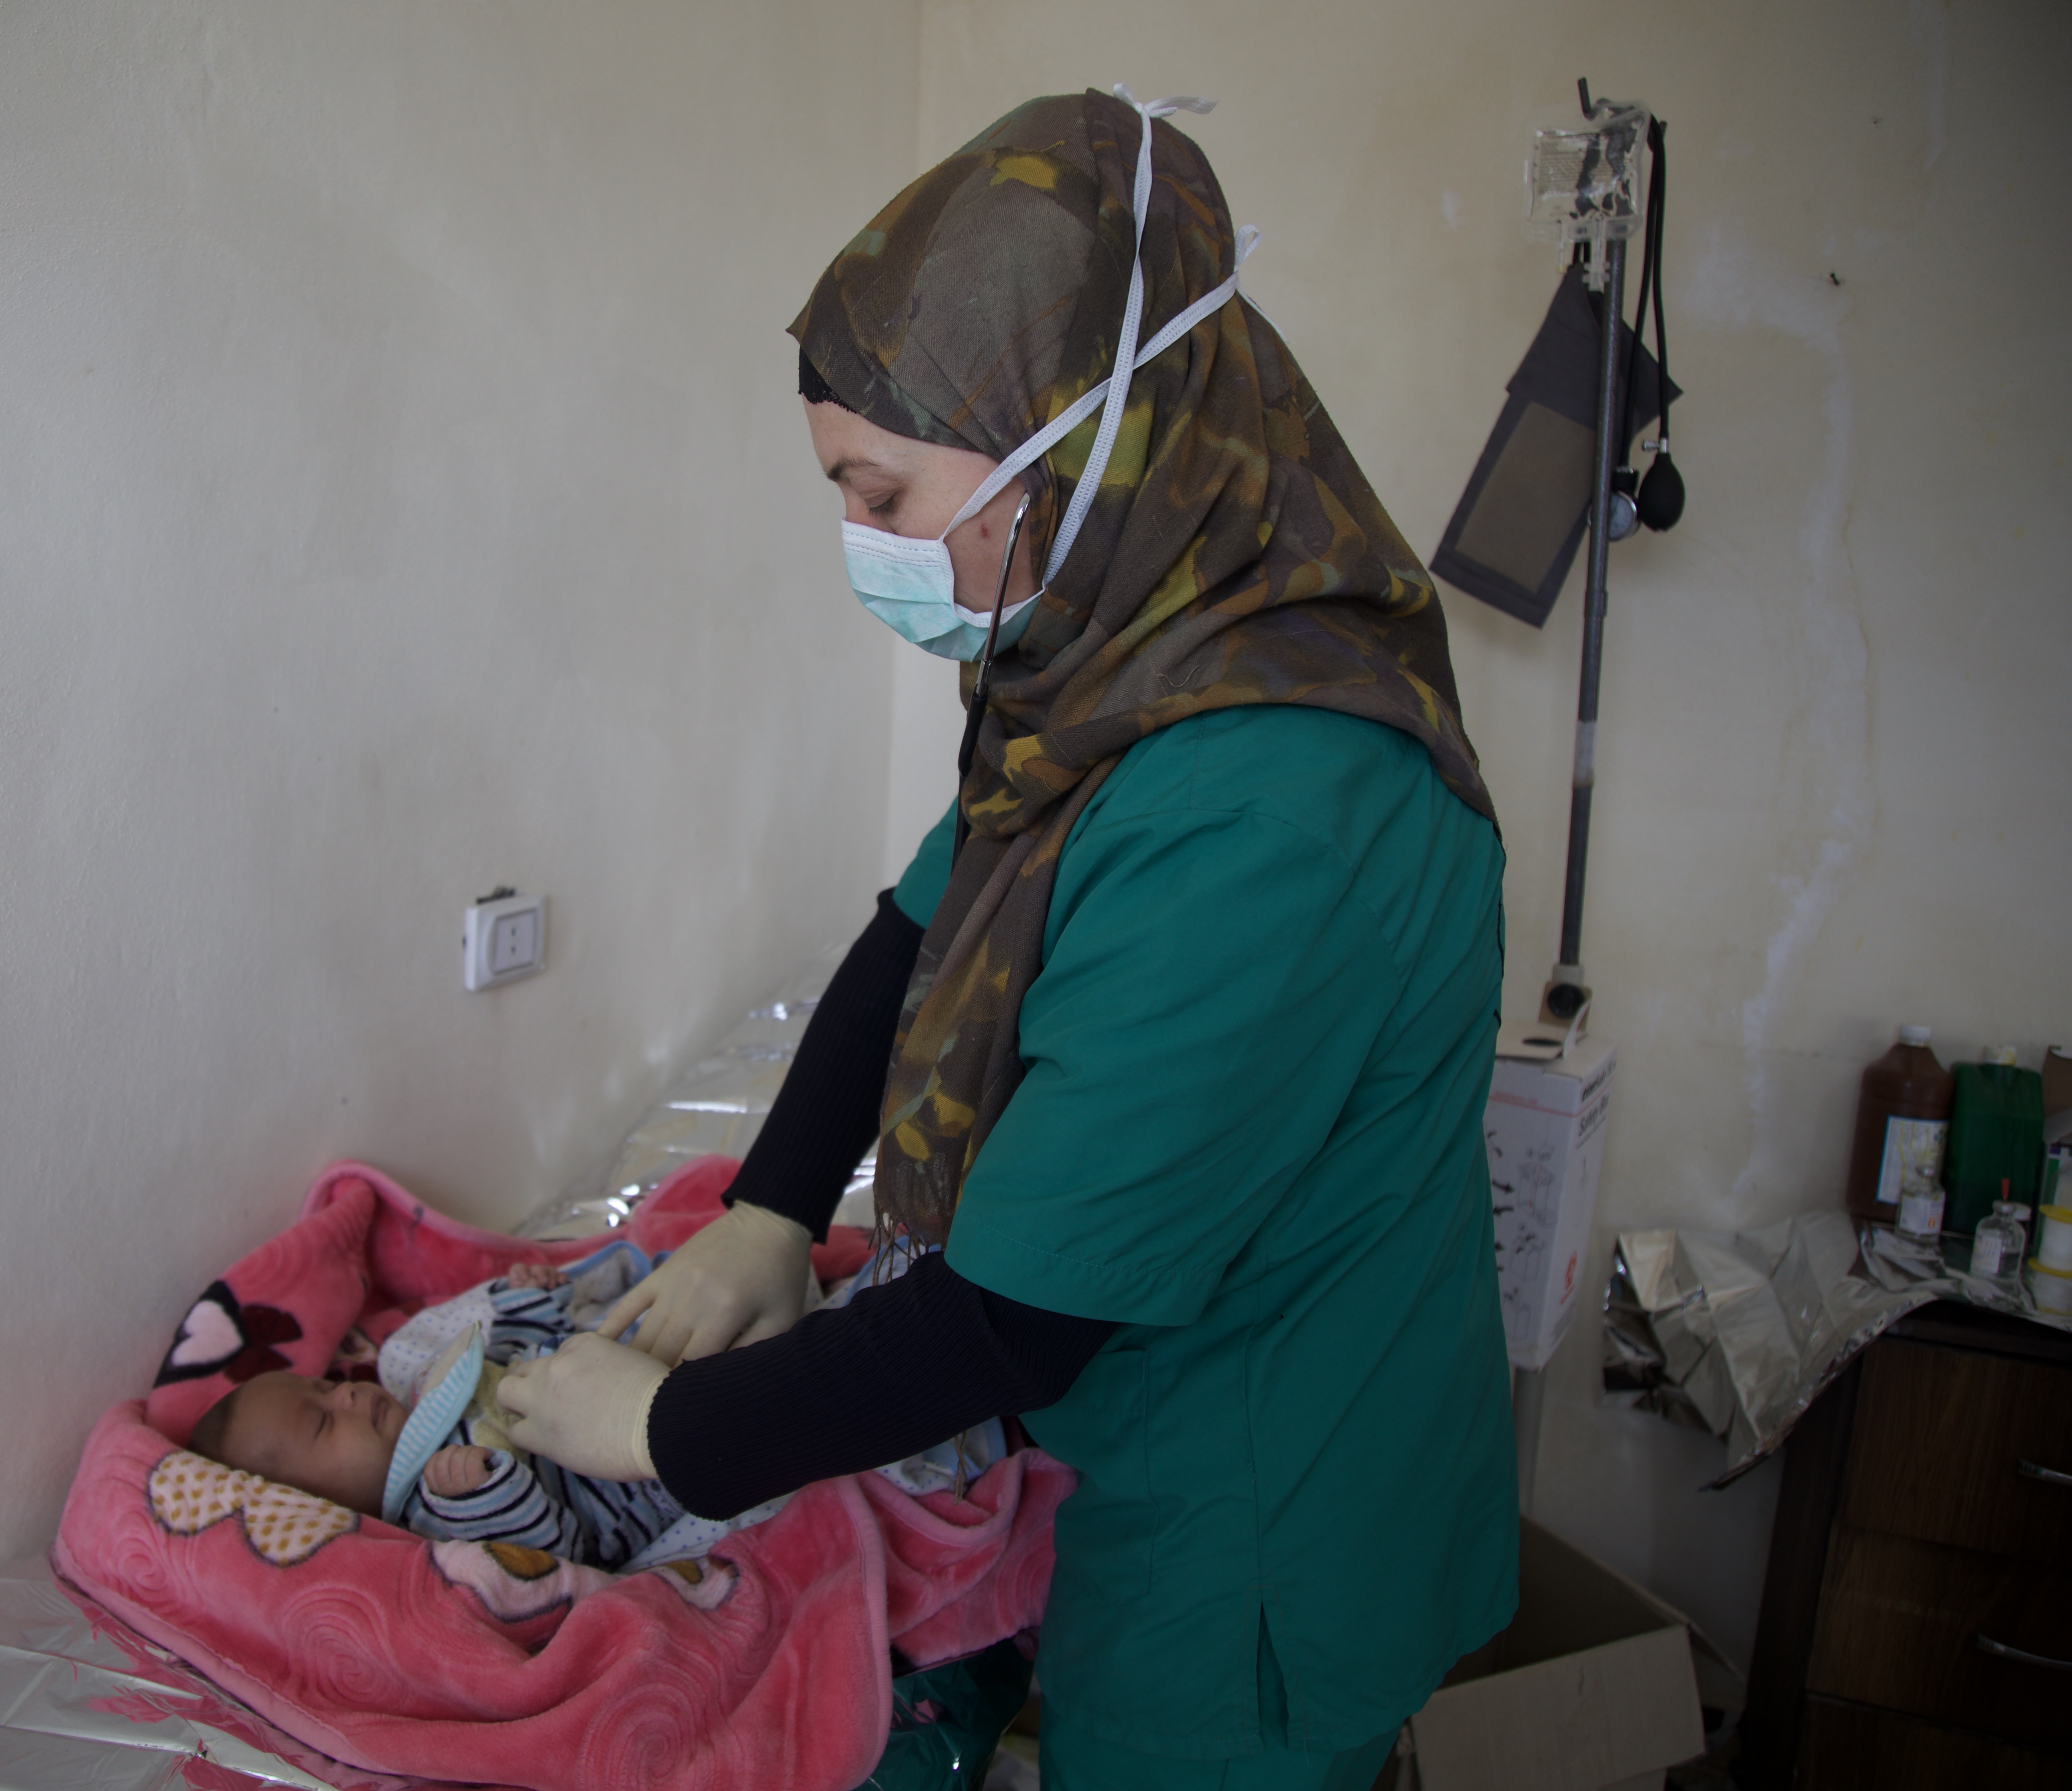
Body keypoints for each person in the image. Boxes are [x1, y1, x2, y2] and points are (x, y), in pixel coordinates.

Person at [497, 88, 1518, 1789]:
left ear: (1081, 444)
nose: (861, 549)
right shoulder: (1098, 677)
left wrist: (666, 1433)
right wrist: (765, 1207)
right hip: (1145, 1437)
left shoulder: (1262, 810)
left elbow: (1007, 1325)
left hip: (1253, 1531)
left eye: (882, 495)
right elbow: (914, 930)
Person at [185, 1262, 689, 1571]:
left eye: (325, 1387)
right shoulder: (432, 1510)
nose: (347, 1398)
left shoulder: (423, 1387)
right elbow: (556, 1556)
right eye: (322, 1423)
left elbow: (510, 1352)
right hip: (640, 1474)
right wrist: (487, 1494)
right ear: (318, 1505)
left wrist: (530, 1297)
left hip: (621, 1356)